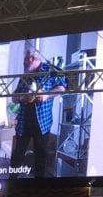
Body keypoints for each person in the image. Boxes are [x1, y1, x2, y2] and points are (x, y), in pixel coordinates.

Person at [10, 44, 64, 178]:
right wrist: (21, 98)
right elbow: (14, 97)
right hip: (23, 123)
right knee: (17, 155)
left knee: (41, 156)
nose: (23, 63)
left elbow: (61, 88)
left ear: (33, 58)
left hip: (42, 123)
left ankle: (39, 185)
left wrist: (46, 95)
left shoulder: (51, 70)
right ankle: (11, 183)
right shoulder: (25, 76)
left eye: (25, 60)